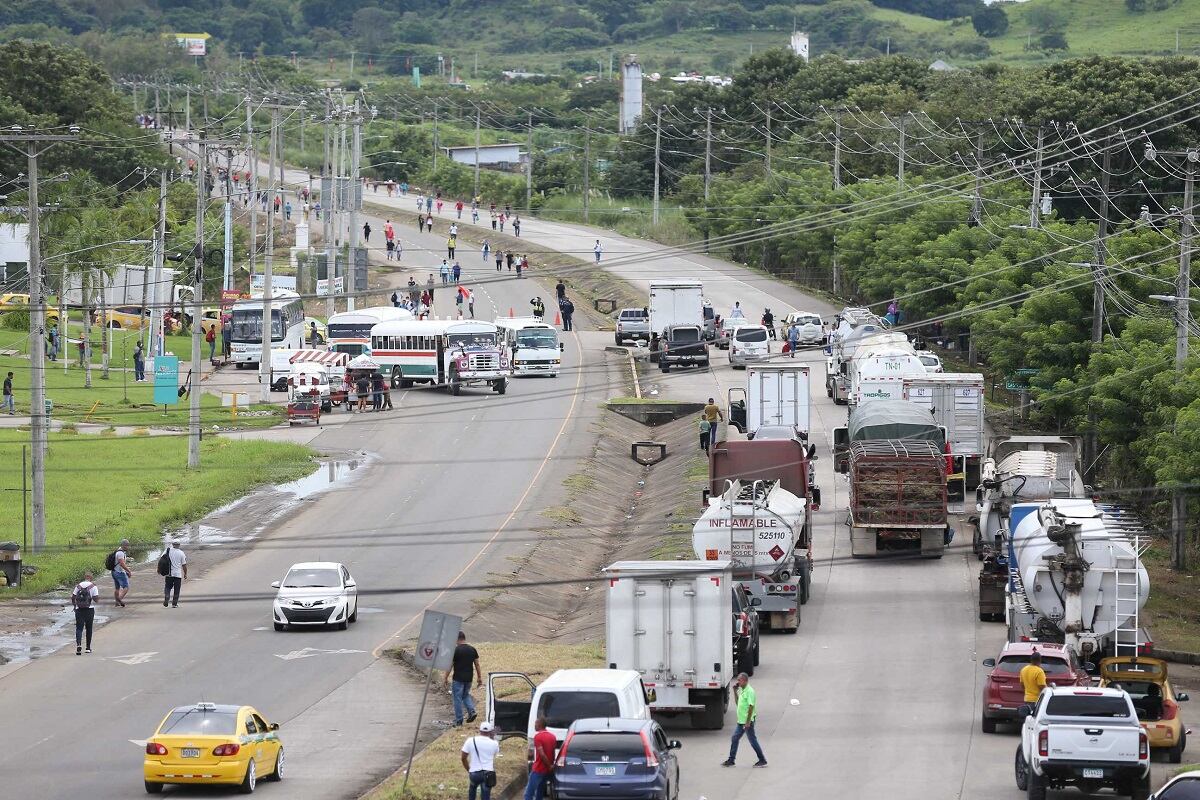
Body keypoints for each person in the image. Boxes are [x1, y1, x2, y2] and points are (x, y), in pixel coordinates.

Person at [723, 672, 767, 767]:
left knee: (752, 740)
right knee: (735, 738)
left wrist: (748, 722)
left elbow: (751, 706)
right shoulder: (742, 690)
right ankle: (731, 760)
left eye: (739, 680)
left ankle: (762, 760)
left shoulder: (750, 691)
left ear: (745, 681)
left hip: (747, 722)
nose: (738, 682)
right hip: (741, 721)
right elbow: (738, 703)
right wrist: (735, 691)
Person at [445, 630, 483, 725]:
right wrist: (479, 677)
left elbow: (450, 666)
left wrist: (445, 677)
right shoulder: (472, 649)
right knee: (465, 695)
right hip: (469, 678)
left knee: (457, 698)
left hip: (458, 679)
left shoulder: (456, 650)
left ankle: (459, 720)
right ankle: (472, 711)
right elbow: (477, 665)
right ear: (464, 638)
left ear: (457, 639)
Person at [460, 721, 499, 800]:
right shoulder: (495, 743)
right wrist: (492, 738)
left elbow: (463, 758)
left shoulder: (470, 740)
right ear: (490, 732)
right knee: (485, 795)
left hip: (474, 773)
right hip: (488, 774)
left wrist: (469, 769)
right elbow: (494, 754)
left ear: (479, 731)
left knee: (472, 789)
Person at [525, 717, 556, 800]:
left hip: (538, 769)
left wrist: (549, 765)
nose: (534, 725)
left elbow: (542, 754)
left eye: (535, 723)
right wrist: (551, 766)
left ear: (539, 724)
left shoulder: (538, 736)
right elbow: (552, 753)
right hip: (547, 770)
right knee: (540, 792)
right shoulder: (552, 736)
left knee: (529, 793)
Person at [71, 571, 100, 655]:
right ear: (91, 578)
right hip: (89, 609)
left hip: (79, 609)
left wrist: (74, 606)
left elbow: (73, 597)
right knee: (89, 628)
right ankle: (88, 648)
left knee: (79, 628)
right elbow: (96, 599)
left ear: (85, 577)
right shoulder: (93, 586)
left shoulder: (78, 586)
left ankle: (79, 645)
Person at [162, 540, 187, 608]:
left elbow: (162, 559)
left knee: (167, 587)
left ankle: (167, 596)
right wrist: (185, 573)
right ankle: (174, 604)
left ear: (172, 544)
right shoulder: (181, 553)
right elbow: (184, 565)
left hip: (169, 573)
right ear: (179, 545)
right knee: (177, 589)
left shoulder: (167, 550)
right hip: (177, 575)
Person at [111, 538, 132, 607]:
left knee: (117, 588)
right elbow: (122, 564)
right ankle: (119, 599)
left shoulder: (118, 551)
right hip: (119, 572)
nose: (128, 547)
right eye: (127, 545)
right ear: (124, 545)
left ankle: (117, 602)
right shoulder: (120, 553)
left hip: (114, 572)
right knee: (126, 587)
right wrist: (128, 571)